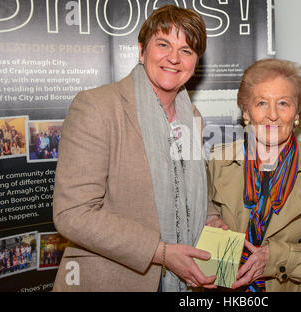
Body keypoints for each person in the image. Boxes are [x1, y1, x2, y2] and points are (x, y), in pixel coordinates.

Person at [52, 5, 216, 292]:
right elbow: (73, 213)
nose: (174, 58)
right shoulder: (98, 107)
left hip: (183, 282)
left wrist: (213, 219)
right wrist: (160, 251)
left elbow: (191, 189)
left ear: (194, 62)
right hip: (111, 280)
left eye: (186, 51)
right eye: (163, 44)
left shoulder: (193, 118)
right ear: (142, 51)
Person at [206, 59, 301, 292]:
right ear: (246, 111)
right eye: (261, 102)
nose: (272, 115)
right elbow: (203, 226)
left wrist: (276, 258)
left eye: (283, 103)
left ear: (297, 112)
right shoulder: (218, 162)